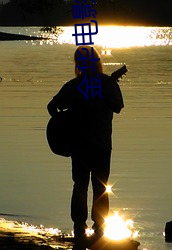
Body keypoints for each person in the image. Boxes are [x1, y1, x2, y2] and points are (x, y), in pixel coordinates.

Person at [47, 45, 124, 244]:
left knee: (80, 185)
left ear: (78, 64)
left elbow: (51, 106)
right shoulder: (105, 83)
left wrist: (63, 121)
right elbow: (117, 107)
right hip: (100, 144)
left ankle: (80, 228)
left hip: (80, 144)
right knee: (99, 187)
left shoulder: (75, 85)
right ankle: (98, 230)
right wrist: (64, 122)